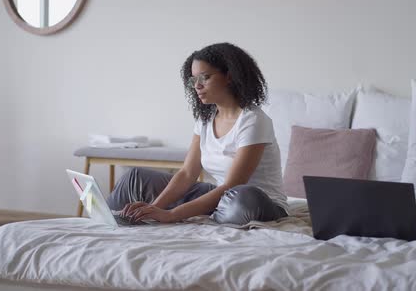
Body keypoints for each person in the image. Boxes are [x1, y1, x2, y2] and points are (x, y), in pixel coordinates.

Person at [106, 42, 288, 225]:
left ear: (230, 76)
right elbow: (187, 173)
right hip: (221, 200)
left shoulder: (253, 120)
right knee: (135, 178)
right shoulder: (205, 120)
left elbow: (232, 185)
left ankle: (213, 216)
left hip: (255, 203)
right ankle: (111, 224)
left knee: (241, 196)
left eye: (205, 77)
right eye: (194, 80)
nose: (197, 86)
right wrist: (155, 209)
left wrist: (172, 214)